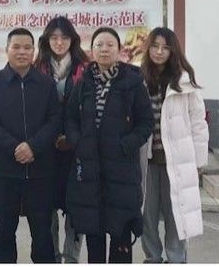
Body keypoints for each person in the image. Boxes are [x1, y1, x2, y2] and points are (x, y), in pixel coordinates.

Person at [65, 27, 154, 263]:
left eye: (110, 45)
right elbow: (70, 119)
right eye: (99, 45)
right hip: (90, 169)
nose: (104, 49)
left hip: (122, 169)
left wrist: (126, 145)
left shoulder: (133, 82)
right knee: (94, 233)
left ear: (119, 50)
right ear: (92, 50)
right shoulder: (83, 83)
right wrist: (78, 142)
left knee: (120, 233)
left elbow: (146, 123)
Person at [0, 28, 61, 263]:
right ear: (7, 50)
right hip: (6, 172)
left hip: (41, 172)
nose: (22, 52)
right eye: (16, 47)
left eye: (27, 47)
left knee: (43, 234)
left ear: (34, 51)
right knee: (4, 232)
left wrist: (33, 147)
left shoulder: (46, 84)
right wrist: (15, 148)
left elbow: (55, 120)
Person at [140, 27, 209, 263]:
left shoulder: (184, 82)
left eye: (165, 48)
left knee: (176, 215)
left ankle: (176, 259)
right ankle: (152, 258)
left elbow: (198, 123)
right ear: (148, 48)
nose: (159, 52)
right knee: (147, 215)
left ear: (173, 51)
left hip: (178, 161)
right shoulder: (140, 79)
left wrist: (199, 161)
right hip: (148, 161)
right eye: (155, 46)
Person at [34, 16, 88, 263]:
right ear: (46, 40)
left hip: (76, 149)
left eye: (64, 37)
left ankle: (71, 257)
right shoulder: (37, 68)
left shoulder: (84, 69)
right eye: (54, 37)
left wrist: (72, 137)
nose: (59, 42)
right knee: (47, 207)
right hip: (45, 150)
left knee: (76, 207)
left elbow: (89, 112)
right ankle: (52, 256)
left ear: (72, 40)